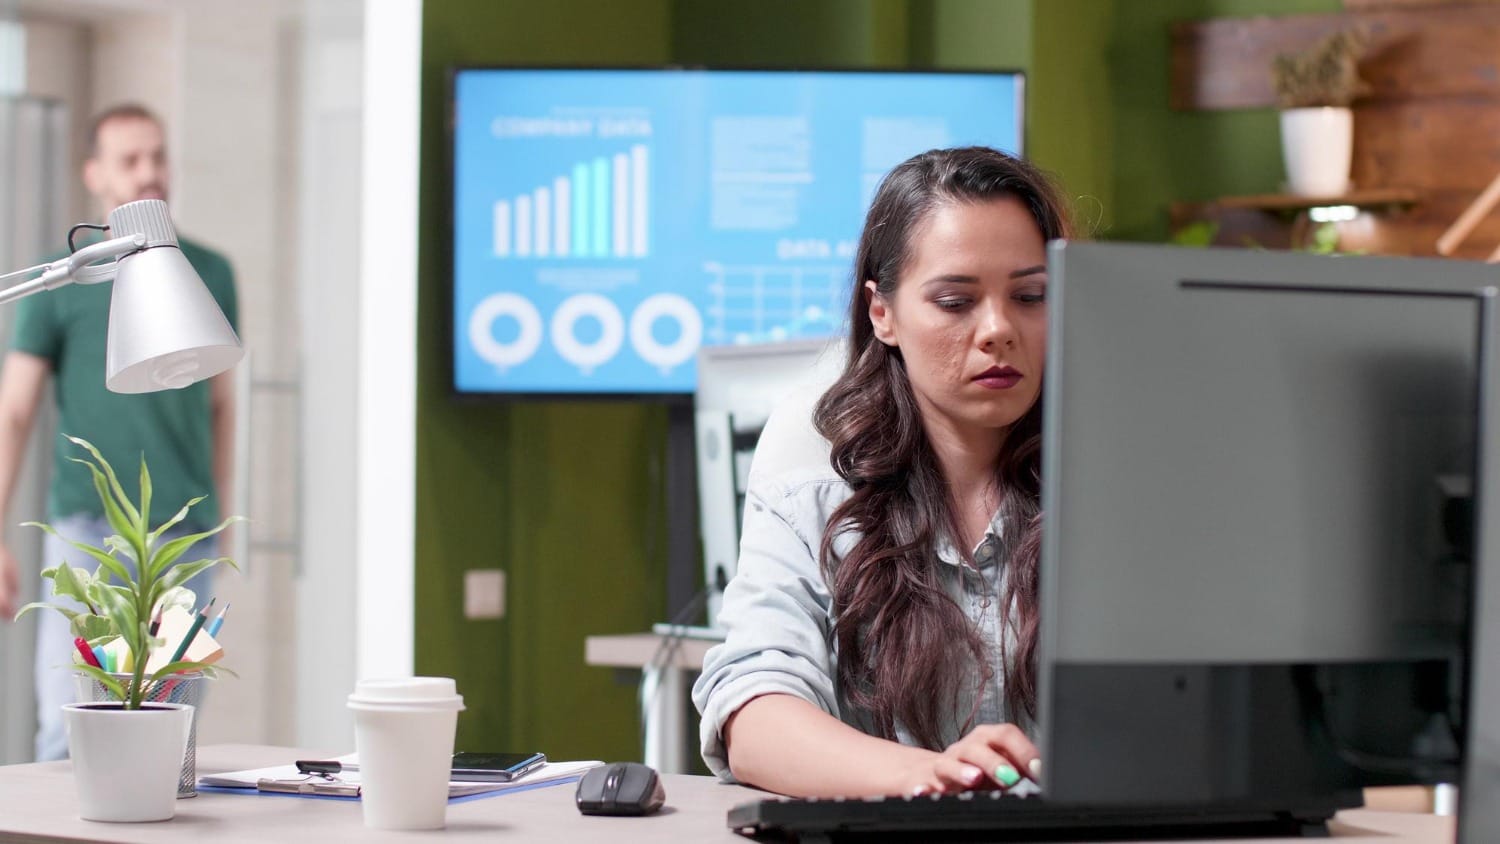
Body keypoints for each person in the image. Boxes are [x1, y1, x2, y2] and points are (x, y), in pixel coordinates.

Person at [692, 146, 1072, 798]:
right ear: (882, 314)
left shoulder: (1122, 482)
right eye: (955, 301)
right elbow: (753, 712)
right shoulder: (812, 488)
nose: (998, 330)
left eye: (1031, 296)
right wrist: (926, 775)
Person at [0, 103, 238, 761]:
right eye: (130, 160)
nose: (150, 172)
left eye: (158, 155)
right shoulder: (62, 278)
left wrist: (220, 516)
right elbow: (13, 411)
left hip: (185, 538)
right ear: (94, 175)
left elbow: (221, 405)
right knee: (70, 727)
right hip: (88, 534)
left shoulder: (209, 273)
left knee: (174, 731)